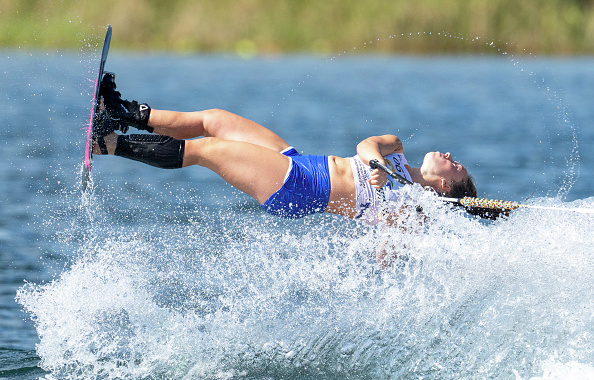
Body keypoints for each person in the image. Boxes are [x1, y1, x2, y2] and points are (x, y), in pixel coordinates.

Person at [93, 73, 477, 226]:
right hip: (296, 162)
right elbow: (365, 146)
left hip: (296, 188)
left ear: (445, 187)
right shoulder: (395, 151)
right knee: (215, 120)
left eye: (456, 166)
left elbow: (389, 250)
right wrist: (377, 166)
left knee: (205, 149)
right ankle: (118, 112)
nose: (450, 156)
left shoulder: (411, 209)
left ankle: (105, 144)